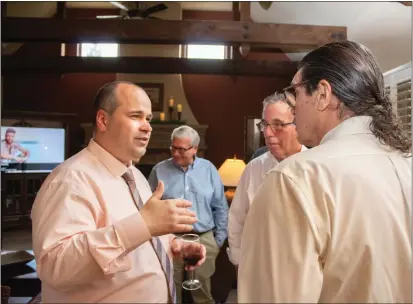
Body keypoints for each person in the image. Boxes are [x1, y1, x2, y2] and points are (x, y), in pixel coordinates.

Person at [238, 41, 412, 303]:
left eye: (294, 92)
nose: (292, 106)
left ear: (322, 93)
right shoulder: (406, 161)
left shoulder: (296, 178)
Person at [31, 81, 206, 303]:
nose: (147, 127)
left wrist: (174, 244)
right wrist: (143, 225)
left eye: (148, 119)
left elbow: (140, 234)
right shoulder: (70, 179)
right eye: (136, 116)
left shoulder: (134, 175)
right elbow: (54, 266)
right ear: (103, 120)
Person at [148, 125, 229, 304]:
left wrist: (218, 241)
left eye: (182, 150)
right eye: (173, 148)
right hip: (171, 239)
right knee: (170, 292)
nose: (176, 153)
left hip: (204, 238)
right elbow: (149, 208)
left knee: (202, 294)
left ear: (194, 149)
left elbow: (221, 207)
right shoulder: (158, 170)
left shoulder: (209, 170)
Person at [227, 93, 307, 267]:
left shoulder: (316, 168)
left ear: (297, 125)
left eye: (278, 125)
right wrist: (240, 262)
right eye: (265, 124)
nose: (268, 133)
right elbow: (237, 220)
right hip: (258, 267)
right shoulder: (253, 169)